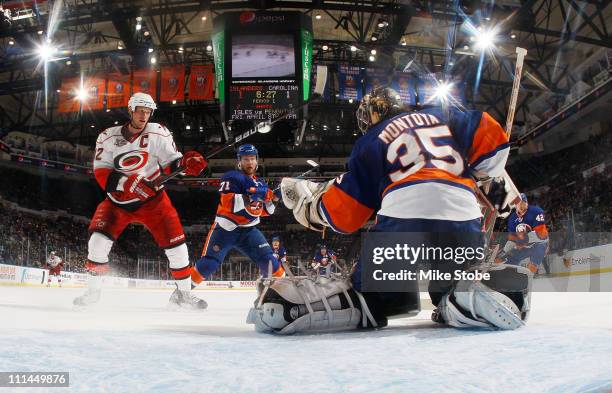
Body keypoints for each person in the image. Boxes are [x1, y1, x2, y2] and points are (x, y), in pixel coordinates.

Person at [248, 87, 533, 334]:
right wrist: (483, 172)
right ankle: (473, 294)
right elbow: (492, 140)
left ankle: (290, 308)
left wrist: (311, 207)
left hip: (405, 220)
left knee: (371, 297)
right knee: (448, 287)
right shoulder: (442, 115)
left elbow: (346, 216)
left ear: (371, 114)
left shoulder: (371, 140)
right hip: (464, 219)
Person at [73, 92, 208, 308]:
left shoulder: (159, 133)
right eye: (140, 111)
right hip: (118, 202)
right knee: (97, 243)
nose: (144, 116)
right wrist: (128, 183)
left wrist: (186, 164)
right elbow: (101, 173)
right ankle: (92, 292)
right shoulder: (107, 137)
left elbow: (173, 163)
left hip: (154, 201)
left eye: (148, 112)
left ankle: (184, 295)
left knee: (178, 250)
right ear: (131, 110)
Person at [190, 144, 284, 291]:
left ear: (257, 160)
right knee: (209, 264)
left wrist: (276, 198)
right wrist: (252, 196)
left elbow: (265, 211)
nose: (250, 163)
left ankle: (284, 293)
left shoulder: (260, 183)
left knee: (270, 262)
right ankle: (181, 292)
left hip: (249, 231)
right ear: (239, 161)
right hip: (225, 229)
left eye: (252, 159)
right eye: (246, 159)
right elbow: (228, 203)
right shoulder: (231, 177)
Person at [498, 193, 549, 273]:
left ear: (526, 202)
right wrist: (504, 251)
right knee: (509, 262)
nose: (519, 205)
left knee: (532, 266)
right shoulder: (512, 218)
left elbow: (541, 235)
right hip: (523, 245)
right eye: (517, 203)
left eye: (522, 203)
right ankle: (507, 277)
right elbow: (512, 239)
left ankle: (529, 275)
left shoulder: (536, 211)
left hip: (539, 243)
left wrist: (525, 238)